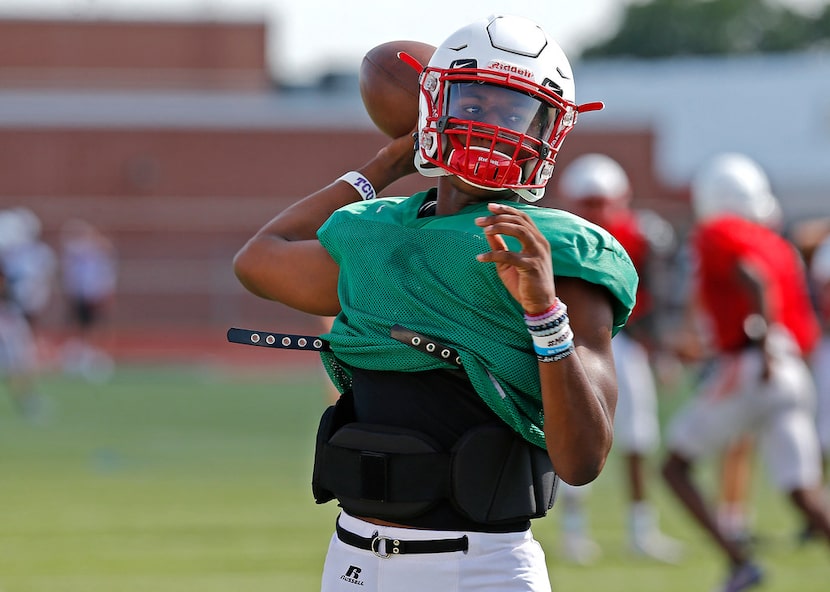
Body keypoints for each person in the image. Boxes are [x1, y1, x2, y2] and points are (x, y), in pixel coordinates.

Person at [233, 14, 637, 592]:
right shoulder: (376, 233)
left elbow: (582, 462)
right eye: (476, 102)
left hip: (479, 567)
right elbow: (258, 259)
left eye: (517, 112)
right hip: (353, 562)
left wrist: (546, 313)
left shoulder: (553, 248)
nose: (494, 127)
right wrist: (384, 165)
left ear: (550, 130)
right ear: (434, 105)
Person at [661, 153, 830, 592]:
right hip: (792, 368)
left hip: (755, 361)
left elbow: (751, 280)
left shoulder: (716, 232)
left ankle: (739, 563)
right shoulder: (778, 242)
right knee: (803, 493)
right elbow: (803, 323)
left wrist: (759, 341)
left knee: (675, 467)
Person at [553, 153, 683, 564]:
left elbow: (656, 296)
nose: (597, 211)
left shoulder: (642, 235)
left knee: (638, 436)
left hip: (627, 341)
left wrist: (659, 347)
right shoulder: (560, 235)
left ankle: (641, 529)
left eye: (601, 201)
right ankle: (574, 533)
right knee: (574, 433)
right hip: (573, 343)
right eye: (588, 202)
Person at [58, 218, 118, 381]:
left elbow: (105, 270)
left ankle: (95, 355)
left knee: (95, 326)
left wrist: (105, 292)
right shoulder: (77, 252)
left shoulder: (98, 253)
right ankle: (81, 354)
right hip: (79, 293)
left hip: (94, 293)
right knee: (79, 325)